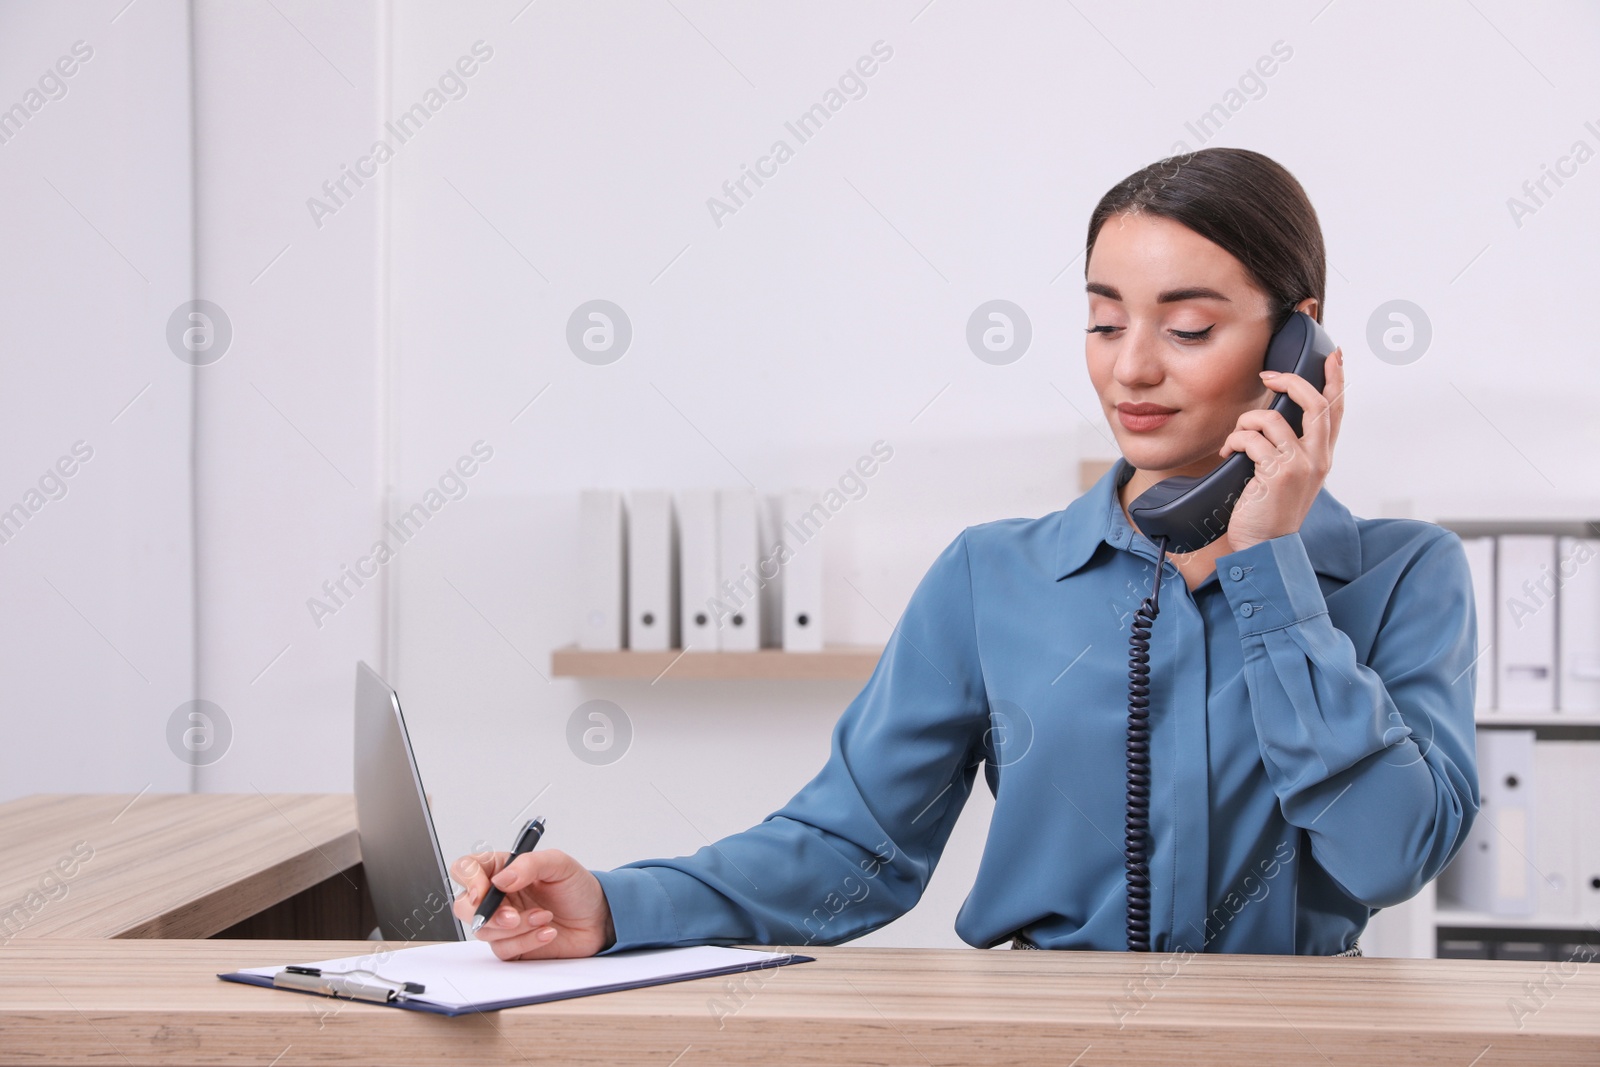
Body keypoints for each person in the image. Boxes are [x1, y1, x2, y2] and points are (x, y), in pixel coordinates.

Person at [450, 147, 1480, 959]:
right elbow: (851, 849)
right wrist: (613, 905)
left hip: (1293, 1043)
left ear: (1294, 345)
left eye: (1189, 328)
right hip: (1041, 1040)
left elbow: (1388, 851)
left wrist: (1267, 566)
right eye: (1102, 320)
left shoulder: (1405, 574)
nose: (1129, 367)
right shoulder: (992, 577)